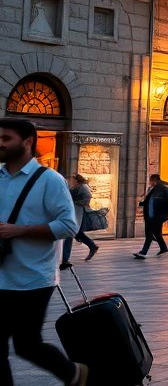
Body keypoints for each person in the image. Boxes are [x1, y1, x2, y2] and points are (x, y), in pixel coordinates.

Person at [0, 118, 85, 386]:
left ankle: (74, 374)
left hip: (33, 278)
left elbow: (68, 225)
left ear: (27, 142)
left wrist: (19, 230)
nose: (0, 144)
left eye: (6, 139)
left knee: (27, 344)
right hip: (1, 276)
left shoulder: (50, 180)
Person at [59, 174, 98, 270]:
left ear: (77, 180)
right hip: (77, 213)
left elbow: (67, 195)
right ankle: (92, 246)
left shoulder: (80, 188)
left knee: (70, 234)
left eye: (72, 180)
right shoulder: (81, 187)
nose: (71, 181)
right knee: (78, 234)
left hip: (77, 214)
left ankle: (65, 259)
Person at [133, 173, 168, 259]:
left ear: (154, 180)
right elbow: (151, 201)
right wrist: (142, 203)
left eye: (150, 180)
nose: (149, 182)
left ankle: (143, 252)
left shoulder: (162, 188)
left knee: (149, 233)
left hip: (157, 216)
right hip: (154, 215)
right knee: (157, 233)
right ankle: (164, 248)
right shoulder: (154, 188)